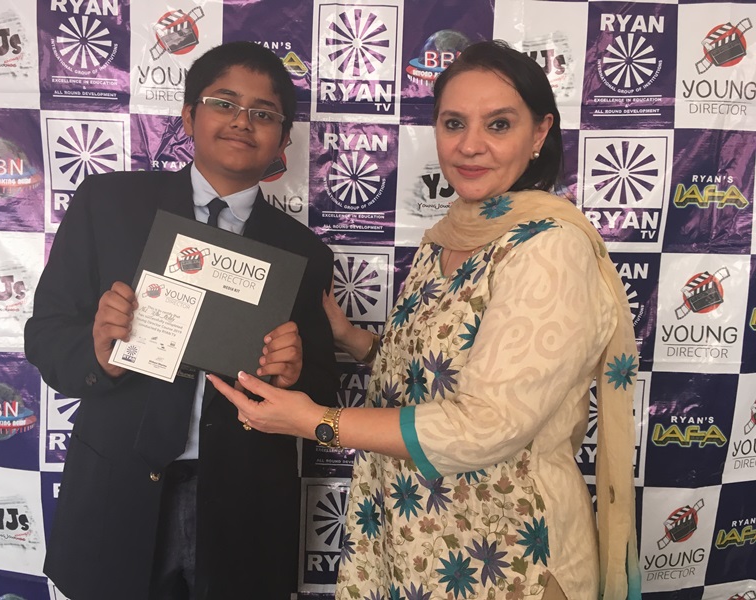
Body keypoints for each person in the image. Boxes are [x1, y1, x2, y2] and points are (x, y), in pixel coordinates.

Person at [209, 40, 641, 600]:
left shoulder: (549, 247)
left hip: (503, 552)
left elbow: (487, 423)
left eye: (499, 124)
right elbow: (436, 369)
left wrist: (316, 421)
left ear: (539, 133)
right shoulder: (449, 237)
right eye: (454, 123)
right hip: (410, 539)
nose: (470, 145)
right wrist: (352, 338)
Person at [24, 42, 337, 599]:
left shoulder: (304, 252)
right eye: (225, 103)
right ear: (189, 116)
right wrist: (99, 351)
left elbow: (322, 387)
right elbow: (45, 334)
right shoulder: (107, 204)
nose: (242, 121)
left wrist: (295, 374)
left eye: (264, 113)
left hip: (242, 507)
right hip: (118, 491)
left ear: (283, 140)